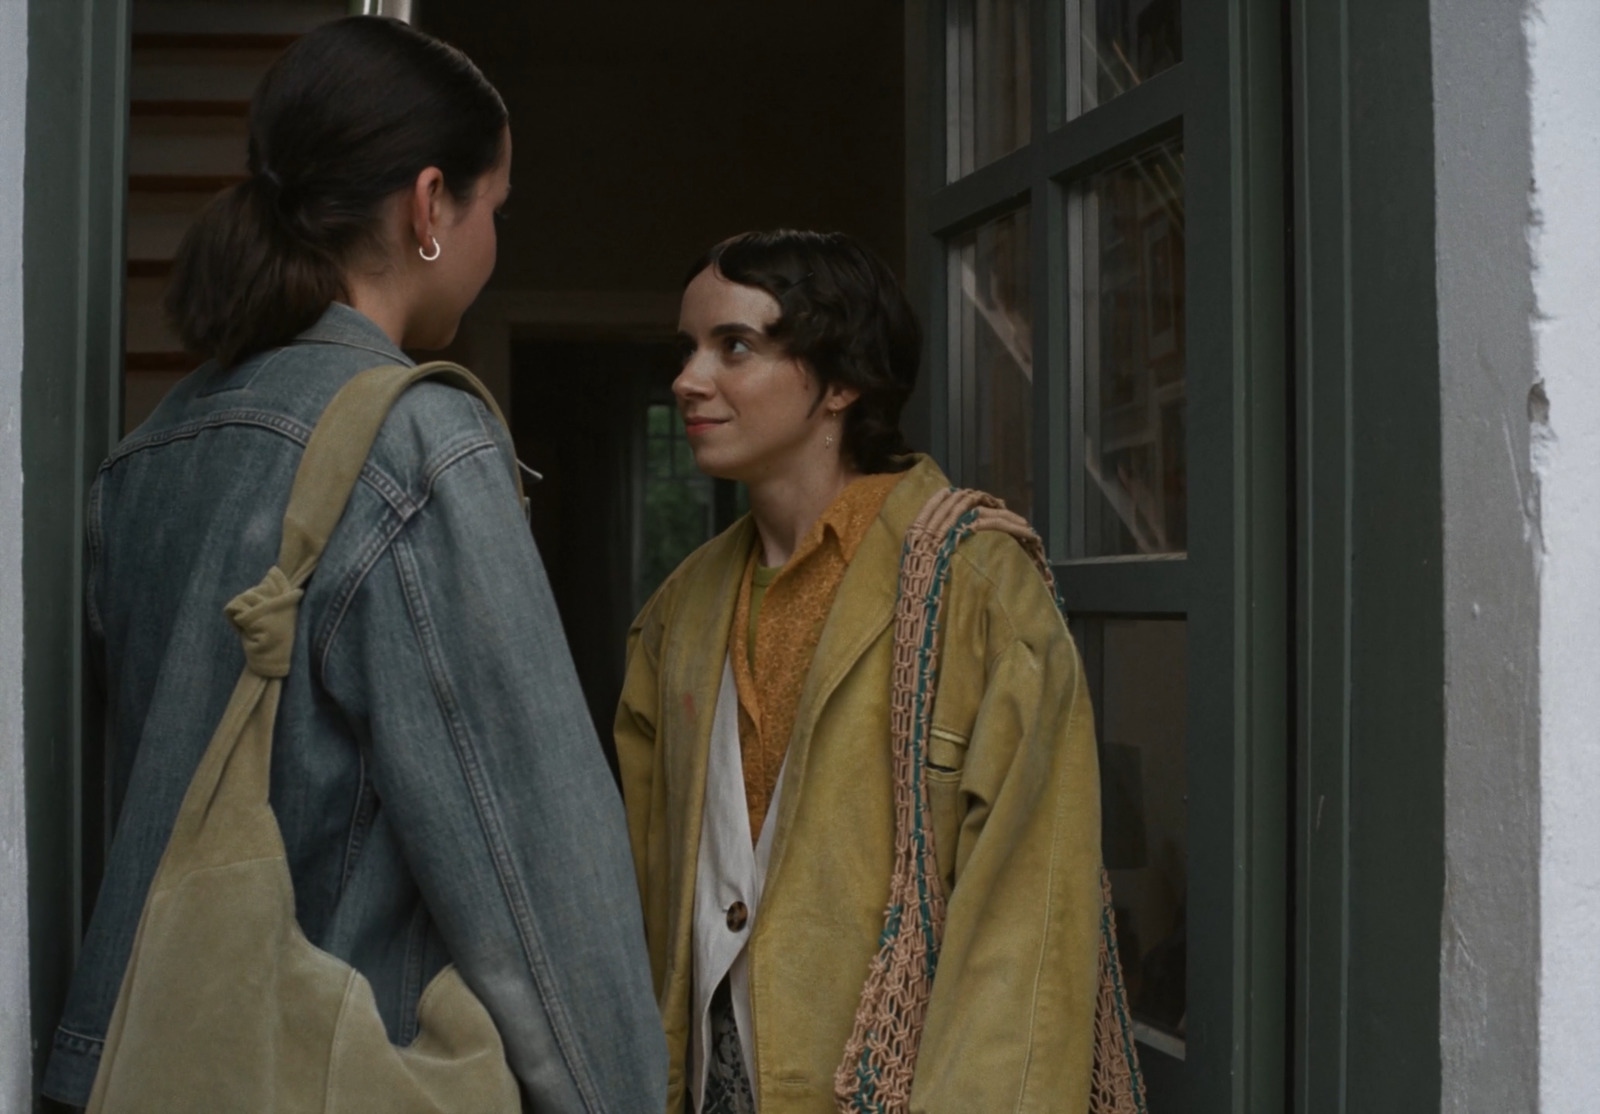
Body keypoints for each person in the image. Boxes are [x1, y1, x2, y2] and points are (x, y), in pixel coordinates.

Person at [42, 17, 665, 1112]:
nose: (492, 243)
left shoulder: (148, 457)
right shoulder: (420, 444)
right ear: (430, 206)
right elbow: (534, 875)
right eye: (495, 210)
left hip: (154, 1068)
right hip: (337, 1067)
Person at [615, 229, 1103, 1113]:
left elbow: (1028, 938)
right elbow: (651, 909)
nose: (689, 379)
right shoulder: (676, 614)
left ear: (841, 382)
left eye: (735, 346)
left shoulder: (977, 589)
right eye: (686, 348)